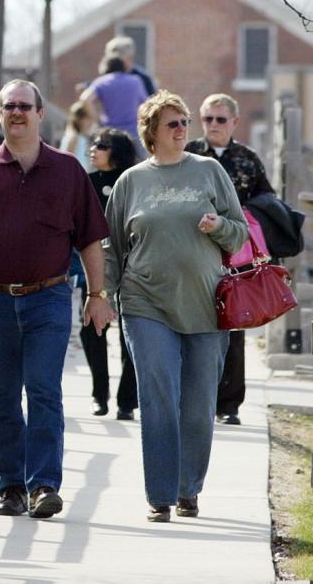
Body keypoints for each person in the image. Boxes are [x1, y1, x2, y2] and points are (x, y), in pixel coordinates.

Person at [0, 79, 113, 519]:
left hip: (49, 298)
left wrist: (97, 295)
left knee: (43, 390)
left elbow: (91, 239)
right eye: (8, 106)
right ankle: (11, 487)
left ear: (41, 114)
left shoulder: (68, 170)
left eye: (25, 106)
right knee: (1, 397)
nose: (17, 113)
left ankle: (43, 486)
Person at [105, 91, 248, 523]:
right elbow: (112, 246)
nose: (183, 129)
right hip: (145, 302)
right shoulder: (132, 181)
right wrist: (101, 297)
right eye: (173, 124)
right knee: (159, 395)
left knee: (199, 402)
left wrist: (218, 226)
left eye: (185, 122)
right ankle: (161, 495)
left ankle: (189, 489)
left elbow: (240, 234)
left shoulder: (210, 170)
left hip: (206, 305)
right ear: (152, 132)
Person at [186, 93, 274, 426]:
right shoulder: (189, 154)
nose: (213, 126)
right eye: (207, 119)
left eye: (220, 119)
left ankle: (230, 404)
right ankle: (197, 399)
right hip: (195, 250)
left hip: (236, 255)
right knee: (195, 325)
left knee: (235, 326)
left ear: (234, 122)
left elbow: (267, 200)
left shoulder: (248, 159)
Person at [76, 129, 139, 420]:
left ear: (118, 152)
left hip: (134, 266)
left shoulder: (135, 182)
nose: (94, 150)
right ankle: (98, 395)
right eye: (93, 144)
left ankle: (127, 400)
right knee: (92, 330)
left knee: (133, 334)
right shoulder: (85, 183)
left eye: (102, 145)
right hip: (94, 268)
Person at [83, 54, 147, 140]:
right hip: (133, 132)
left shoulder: (101, 82)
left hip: (110, 132)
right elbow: (145, 104)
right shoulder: (135, 81)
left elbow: (85, 99)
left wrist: (98, 121)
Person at [60, 99, 97, 168]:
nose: (90, 121)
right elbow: (66, 162)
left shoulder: (83, 137)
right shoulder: (74, 137)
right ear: (78, 119)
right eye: (87, 118)